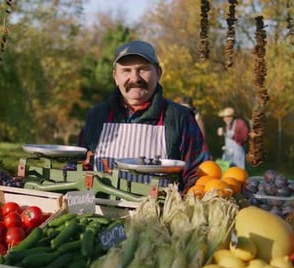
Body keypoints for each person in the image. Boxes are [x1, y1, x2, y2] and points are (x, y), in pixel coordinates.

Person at [77, 40, 211, 192]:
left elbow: (199, 174)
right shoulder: (97, 116)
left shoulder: (179, 118)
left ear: (158, 73)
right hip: (101, 213)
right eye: (126, 70)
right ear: (115, 76)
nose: (135, 78)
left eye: (143, 69)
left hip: (160, 214)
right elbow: (80, 165)